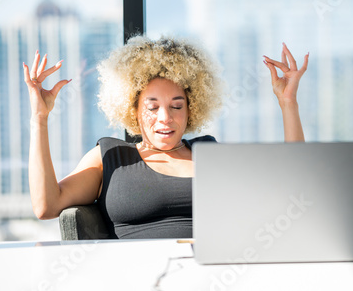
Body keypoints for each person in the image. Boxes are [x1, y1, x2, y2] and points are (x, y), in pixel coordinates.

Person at [25, 35, 309, 239]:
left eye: (176, 106)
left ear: (191, 109)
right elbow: (47, 206)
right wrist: (40, 118)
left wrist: (288, 103)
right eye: (152, 107)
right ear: (133, 109)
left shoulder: (208, 153)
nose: (165, 117)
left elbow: (289, 191)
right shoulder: (110, 156)